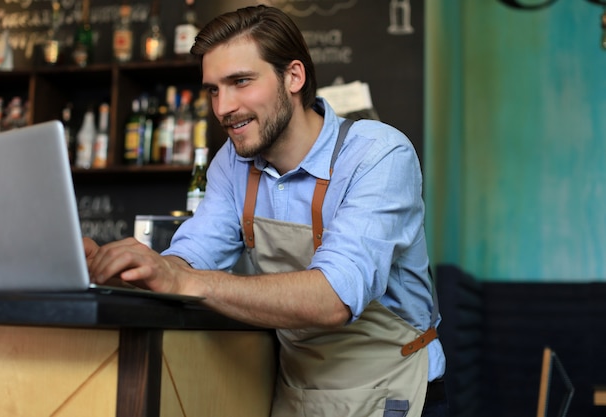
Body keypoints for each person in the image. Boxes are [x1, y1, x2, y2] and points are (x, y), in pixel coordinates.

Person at [84, 5, 447, 417]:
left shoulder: (378, 154)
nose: (223, 107)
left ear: (294, 76)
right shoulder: (232, 162)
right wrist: (117, 271)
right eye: (214, 89)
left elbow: (333, 298)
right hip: (295, 393)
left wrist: (187, 281)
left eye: (240, 82)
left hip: (392, 393)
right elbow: (187, 261)